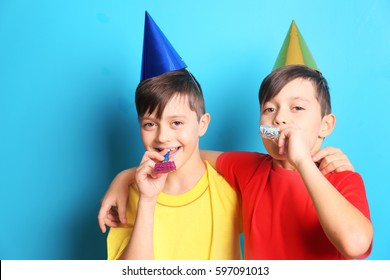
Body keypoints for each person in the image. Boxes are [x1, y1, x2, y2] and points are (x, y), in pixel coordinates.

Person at [99, 20, 371, 259]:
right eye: (269, 109)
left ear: (326, 125)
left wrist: (303, 162)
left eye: (297, 108)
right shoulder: (249, 170)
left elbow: (355, 243)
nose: (280, 119)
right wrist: (127, 176)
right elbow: (190, 153)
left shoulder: (341, 178)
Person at [106, 12, 242, 260]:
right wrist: (147, 201)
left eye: (177, 122)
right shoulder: (129, 197)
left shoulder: (231, 188)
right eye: (149, 124)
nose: (163, 137)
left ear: (202, 124)